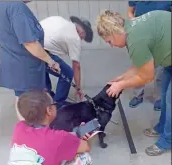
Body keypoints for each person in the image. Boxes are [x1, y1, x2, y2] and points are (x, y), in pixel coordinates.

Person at [96, 10, 171, 156]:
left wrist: (121, 86)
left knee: (170, 100)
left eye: (109, 41)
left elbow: (147, 76)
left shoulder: (136, 40)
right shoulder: (132, 28)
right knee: (164, 94)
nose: (111, 45)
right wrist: (121, 78)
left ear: (114, 32)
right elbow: (140, 64)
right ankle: (162, 127)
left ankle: (168, 141)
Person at [0, 1, 60, 120]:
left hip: (15, 62)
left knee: (22, 99)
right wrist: (50, 61)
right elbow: (30, 43)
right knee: (30, 104)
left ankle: (26, 133)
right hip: (23, 66)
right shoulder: (16, 8)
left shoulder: (2, 3)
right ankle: (32, 134)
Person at [7, 90, 92, 165]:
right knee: (84, 157)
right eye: (54, 104)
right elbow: (86, 147)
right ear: (49, 110)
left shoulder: (19, 128)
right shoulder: (58, 138)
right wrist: (83, 138)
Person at [40, 16, 93, 108]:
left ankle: (46, 97)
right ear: (82, 32)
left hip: (30, 47)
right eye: (83, 37)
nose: (81, 39)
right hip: (41, 50)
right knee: (67, 73)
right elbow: (76, 66)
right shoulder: (75, 38)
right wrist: (78, 88)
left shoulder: (60, 20)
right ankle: (58, 104)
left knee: (42, 68)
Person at [127, 1, 171, 110]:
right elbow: (130, 11)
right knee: (139, 67)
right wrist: (134, 21)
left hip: (161, 39)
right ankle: (138, 95)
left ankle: (159, 98)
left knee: (160, 72)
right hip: (142, 37)